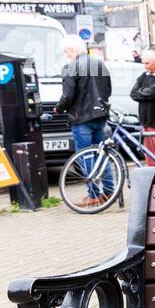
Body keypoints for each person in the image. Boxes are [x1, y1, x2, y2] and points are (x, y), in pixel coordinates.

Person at [56, 35, 114, 208]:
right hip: (100, 115)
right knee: (101, 154)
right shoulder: (99, 64)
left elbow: (68, 96)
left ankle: (94, 194)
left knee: (86, 156)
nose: (66, 55)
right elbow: (108, 89)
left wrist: (59, 108)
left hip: (82, 118)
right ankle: (110, 190)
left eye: (66, 51)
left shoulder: (71, 67)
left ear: (72, 49)